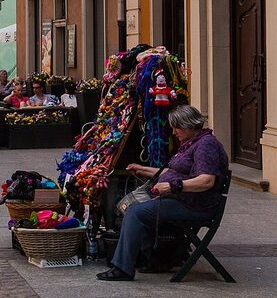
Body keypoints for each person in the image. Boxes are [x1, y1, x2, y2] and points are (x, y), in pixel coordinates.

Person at [97, 105, 229, 282]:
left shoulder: (206, 145)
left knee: (135, 212)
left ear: (190, 125)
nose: (174, 132)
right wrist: (144, 169)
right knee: (134, 207)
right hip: (185, 200)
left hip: (196, 205)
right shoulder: (193, 142)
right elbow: (174, 171)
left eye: (177, 127)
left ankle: (123, 268)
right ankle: (156, 257)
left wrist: (173, 187)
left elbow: (206, 180)